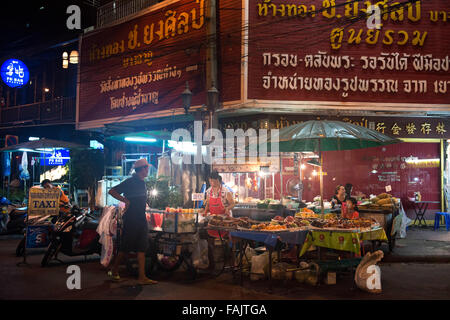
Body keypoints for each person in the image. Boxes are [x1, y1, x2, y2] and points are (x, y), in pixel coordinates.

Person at [108, 158, 157, 285]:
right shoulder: (130, 181)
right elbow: (112, 191)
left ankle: (142, 277)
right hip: (131, 219)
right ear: (141, 170)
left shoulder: (142, 182)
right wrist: (125, 200)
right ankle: (114, 270)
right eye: (146, 168)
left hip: (141, 218)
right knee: (125, 247)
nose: (148, 170)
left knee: (142, 248)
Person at [202, 171, 235, 270]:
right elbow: (208, 203)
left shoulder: (225, 191)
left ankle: (229, 260)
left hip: (224, 218)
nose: (212, 183)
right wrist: (205, 211)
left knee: (228, 239)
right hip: (213, 218)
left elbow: (233, 203)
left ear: (218, 180)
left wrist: (228, 208)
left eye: (214, 181)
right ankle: (212, 263)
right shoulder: (208, 191)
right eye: (211, 180)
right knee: (209, 238)